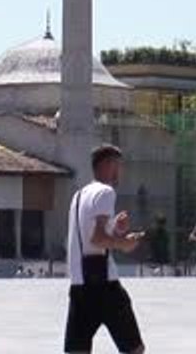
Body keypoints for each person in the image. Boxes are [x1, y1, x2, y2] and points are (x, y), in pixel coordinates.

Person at [65, 144, 147, 354]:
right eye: (118, 165)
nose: (120, 171)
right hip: (103, 285)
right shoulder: (105, 192)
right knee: (134, 349)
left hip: (79, 285)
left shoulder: (79, 195)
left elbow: (88, 236)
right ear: (108, 165)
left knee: (77, 351)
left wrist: (115, 228)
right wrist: (125, 243)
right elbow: (98, 239)